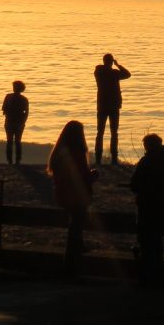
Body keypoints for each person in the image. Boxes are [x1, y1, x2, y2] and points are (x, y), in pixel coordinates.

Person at [129, 133, 164, 283]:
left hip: (146, 205)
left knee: (146, 239)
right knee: (156, 239)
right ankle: (157, 270)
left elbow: (134, 185)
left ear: (148, 146)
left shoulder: (146, 161)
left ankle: (147, 273)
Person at [47, 120, 96, 275]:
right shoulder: (78, 153)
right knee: (75, 228)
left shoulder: (58, 152)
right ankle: (71, 263)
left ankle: (75, 253)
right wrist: (94, 175)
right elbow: (82, 177)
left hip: (62, 194)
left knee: (75, 226)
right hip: (76, 196)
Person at [94, 53, 131, 165]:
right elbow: (128, 74)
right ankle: (114, 158)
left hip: (102, 105)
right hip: (113, 106)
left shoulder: (98, 72)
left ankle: (98, 159)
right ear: (111, 62)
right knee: (114, 133)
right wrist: (118, 65)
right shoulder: (114, 73)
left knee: (100, 132)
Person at [2, 80, 29, 165]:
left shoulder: (9, 97)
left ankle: (12, 160)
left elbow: (4, 108)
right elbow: (26, 112)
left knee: (12, 141)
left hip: (13, 122)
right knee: (16, 141)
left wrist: (22, 121)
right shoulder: (23, 99)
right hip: (15, 122)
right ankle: (15, 160)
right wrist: (23, 121)